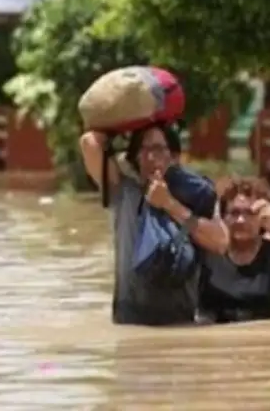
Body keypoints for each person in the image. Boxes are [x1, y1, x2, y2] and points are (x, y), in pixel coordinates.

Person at [79, 123, 229, 326]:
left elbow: (220, 242)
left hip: (180, 323)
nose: (150, 158)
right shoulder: (124, 192)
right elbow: (89, 141)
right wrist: (126, 125)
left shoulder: (196, 196)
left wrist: (169, 204)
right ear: (135, 158)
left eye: (158, 149)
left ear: (174, 157)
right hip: (130, 322)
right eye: (144, 150)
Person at [198, 177, 270, 324]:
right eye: (234, 213)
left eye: (250, 213)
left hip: (265, 342)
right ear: (223, 217)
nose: (241, 221)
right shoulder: (208, 251)